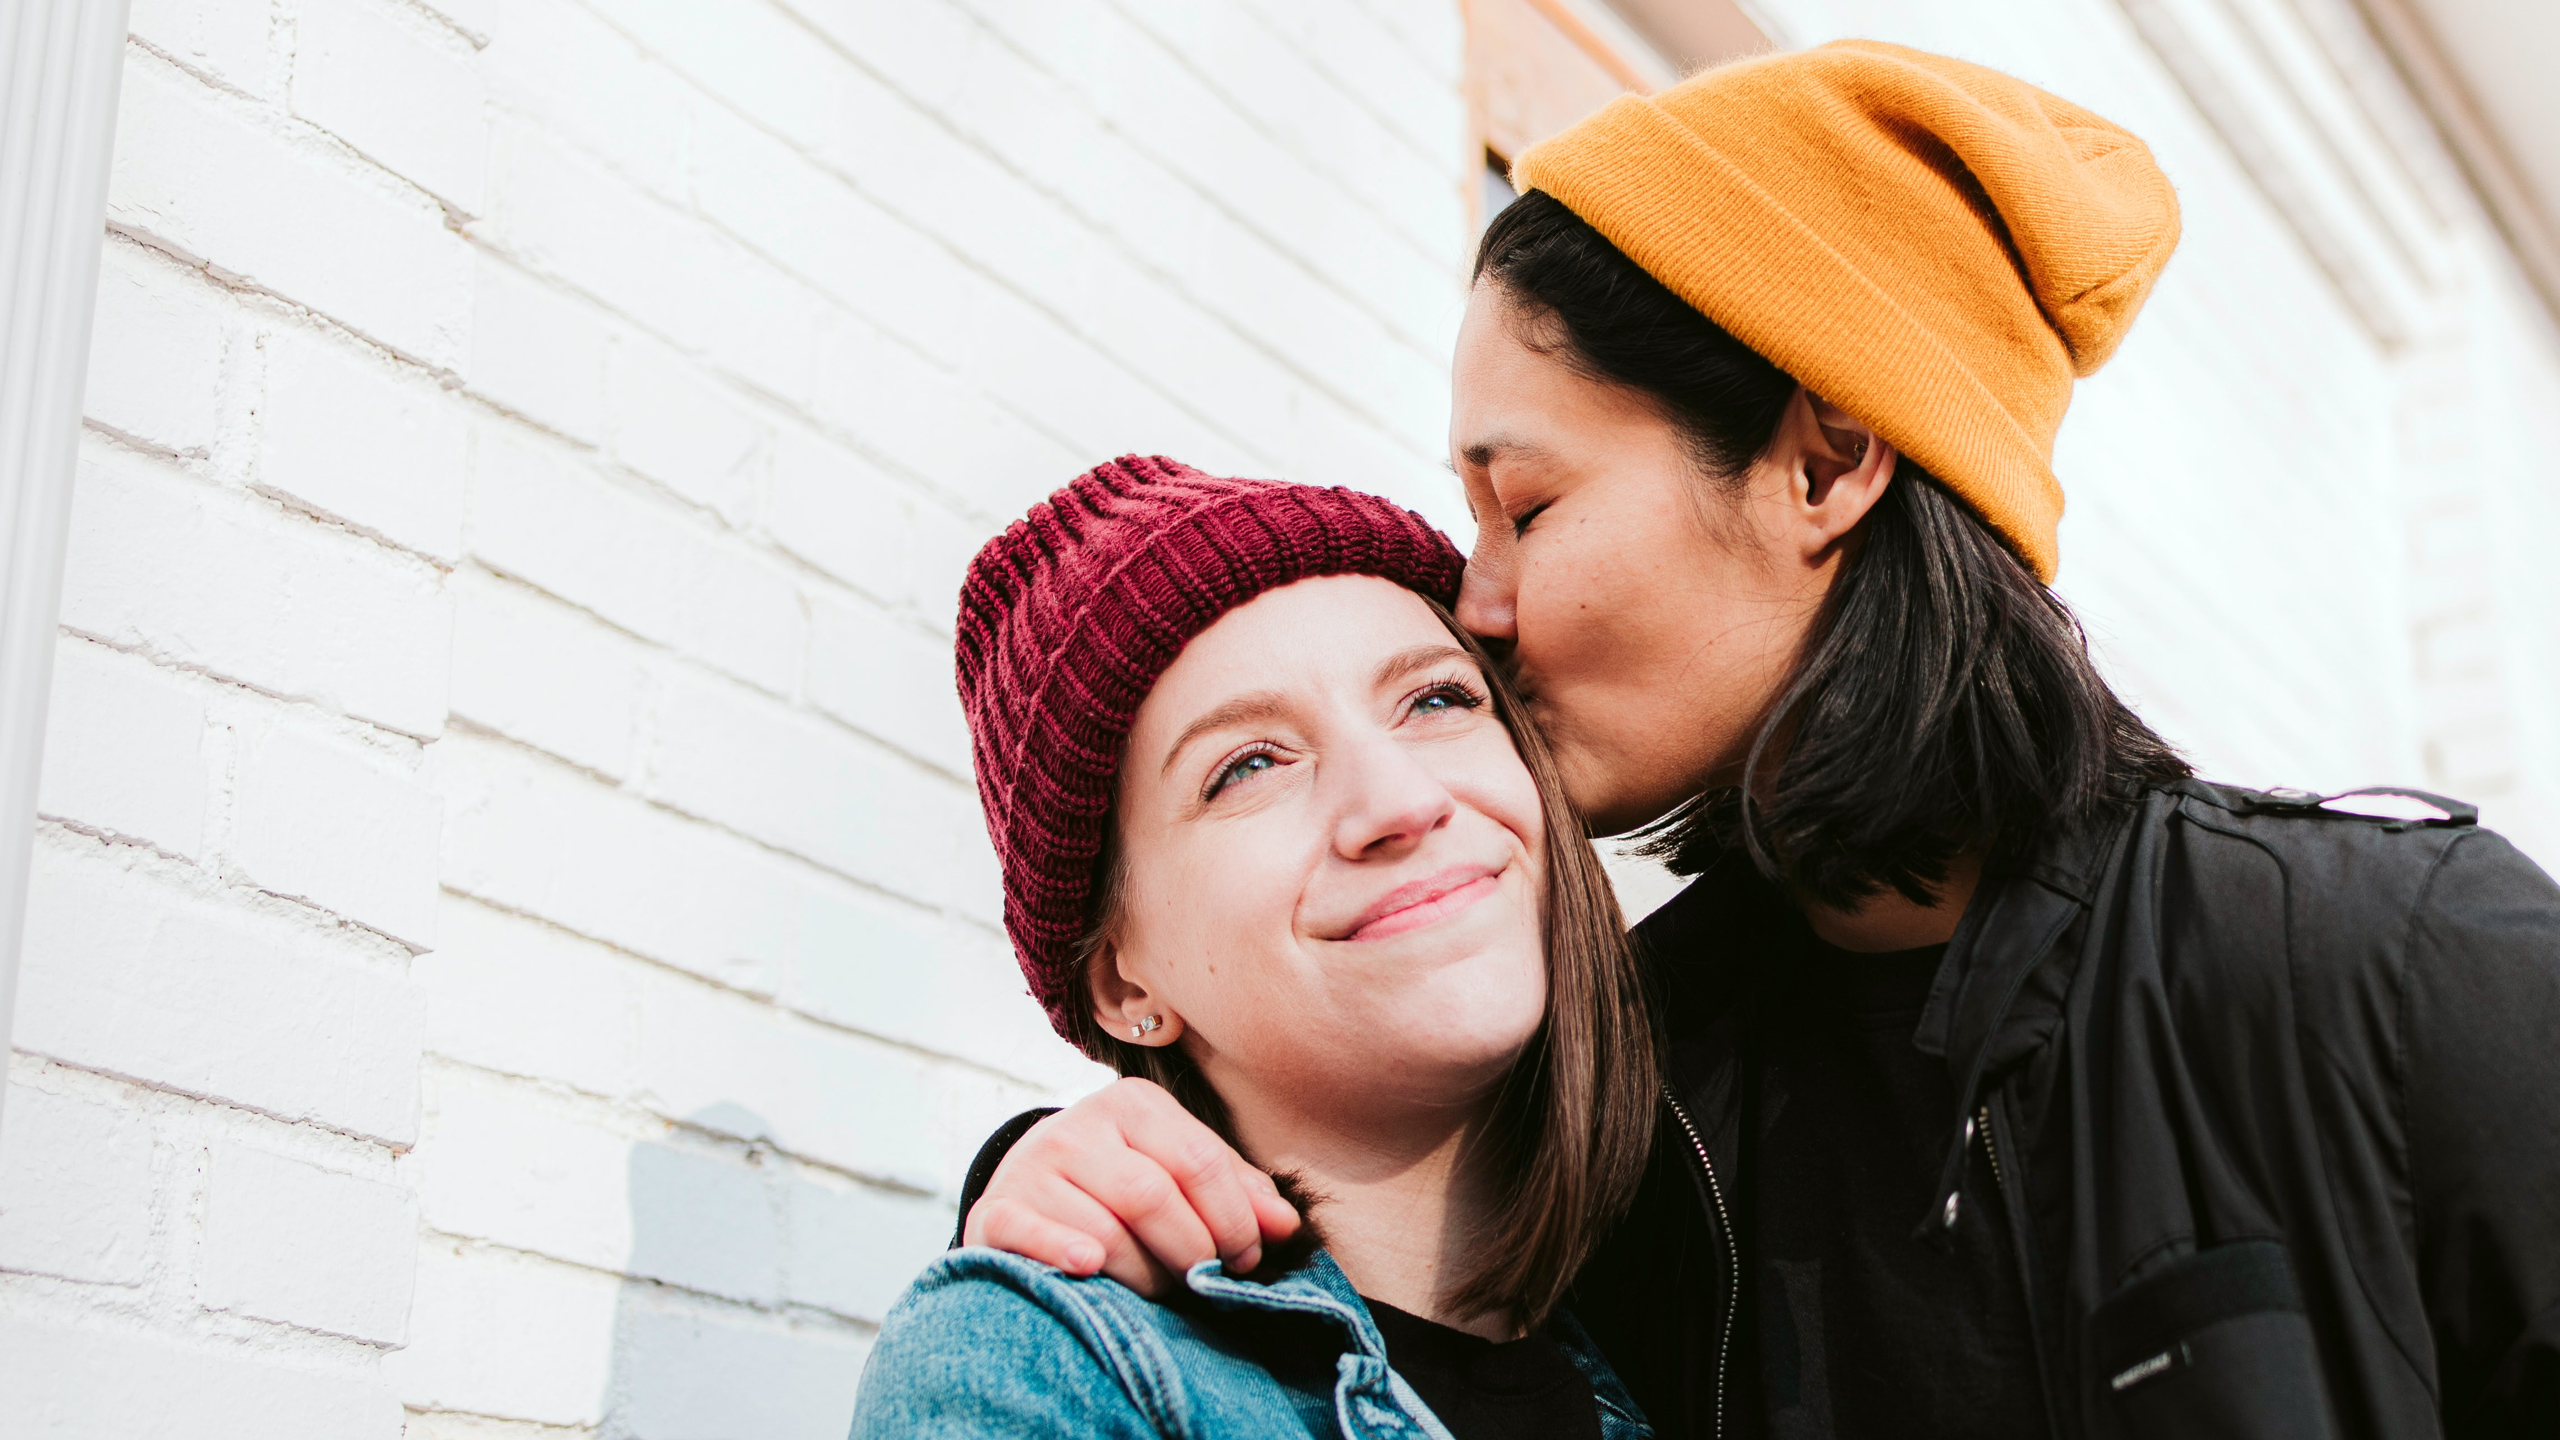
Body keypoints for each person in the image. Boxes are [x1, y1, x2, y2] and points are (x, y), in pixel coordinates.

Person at [944, 41, 2560, 1440]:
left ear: (1827, 463)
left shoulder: (2391, 965)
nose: (1480, 609)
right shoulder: (1654, 1099)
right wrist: (1053, 1171)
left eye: (1529, 505)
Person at [850, 457, 1662, 1438]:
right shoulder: (1051, 1361)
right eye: (1247, 767)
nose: (1400, 802)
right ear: (1118, 979)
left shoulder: (1710, 1285)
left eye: (1438, 700)